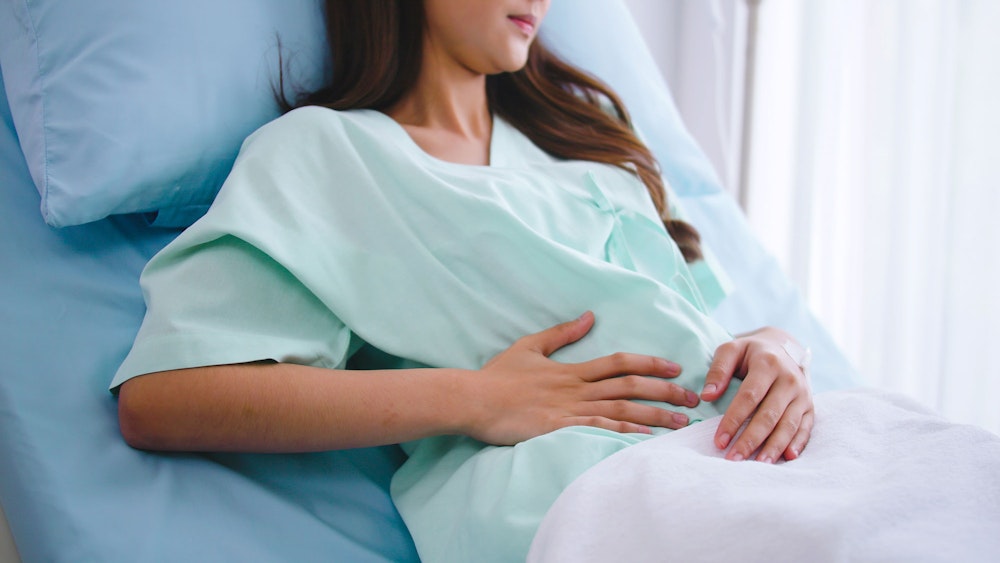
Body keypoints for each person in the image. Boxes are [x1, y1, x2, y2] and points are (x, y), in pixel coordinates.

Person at [113, 0, 813, 560]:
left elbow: (691, 331)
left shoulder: (592, 142)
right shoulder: (329, 153)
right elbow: (162, 399)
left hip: (755, 452)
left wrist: (776, 348)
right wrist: (477, 398)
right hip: (597, 492)